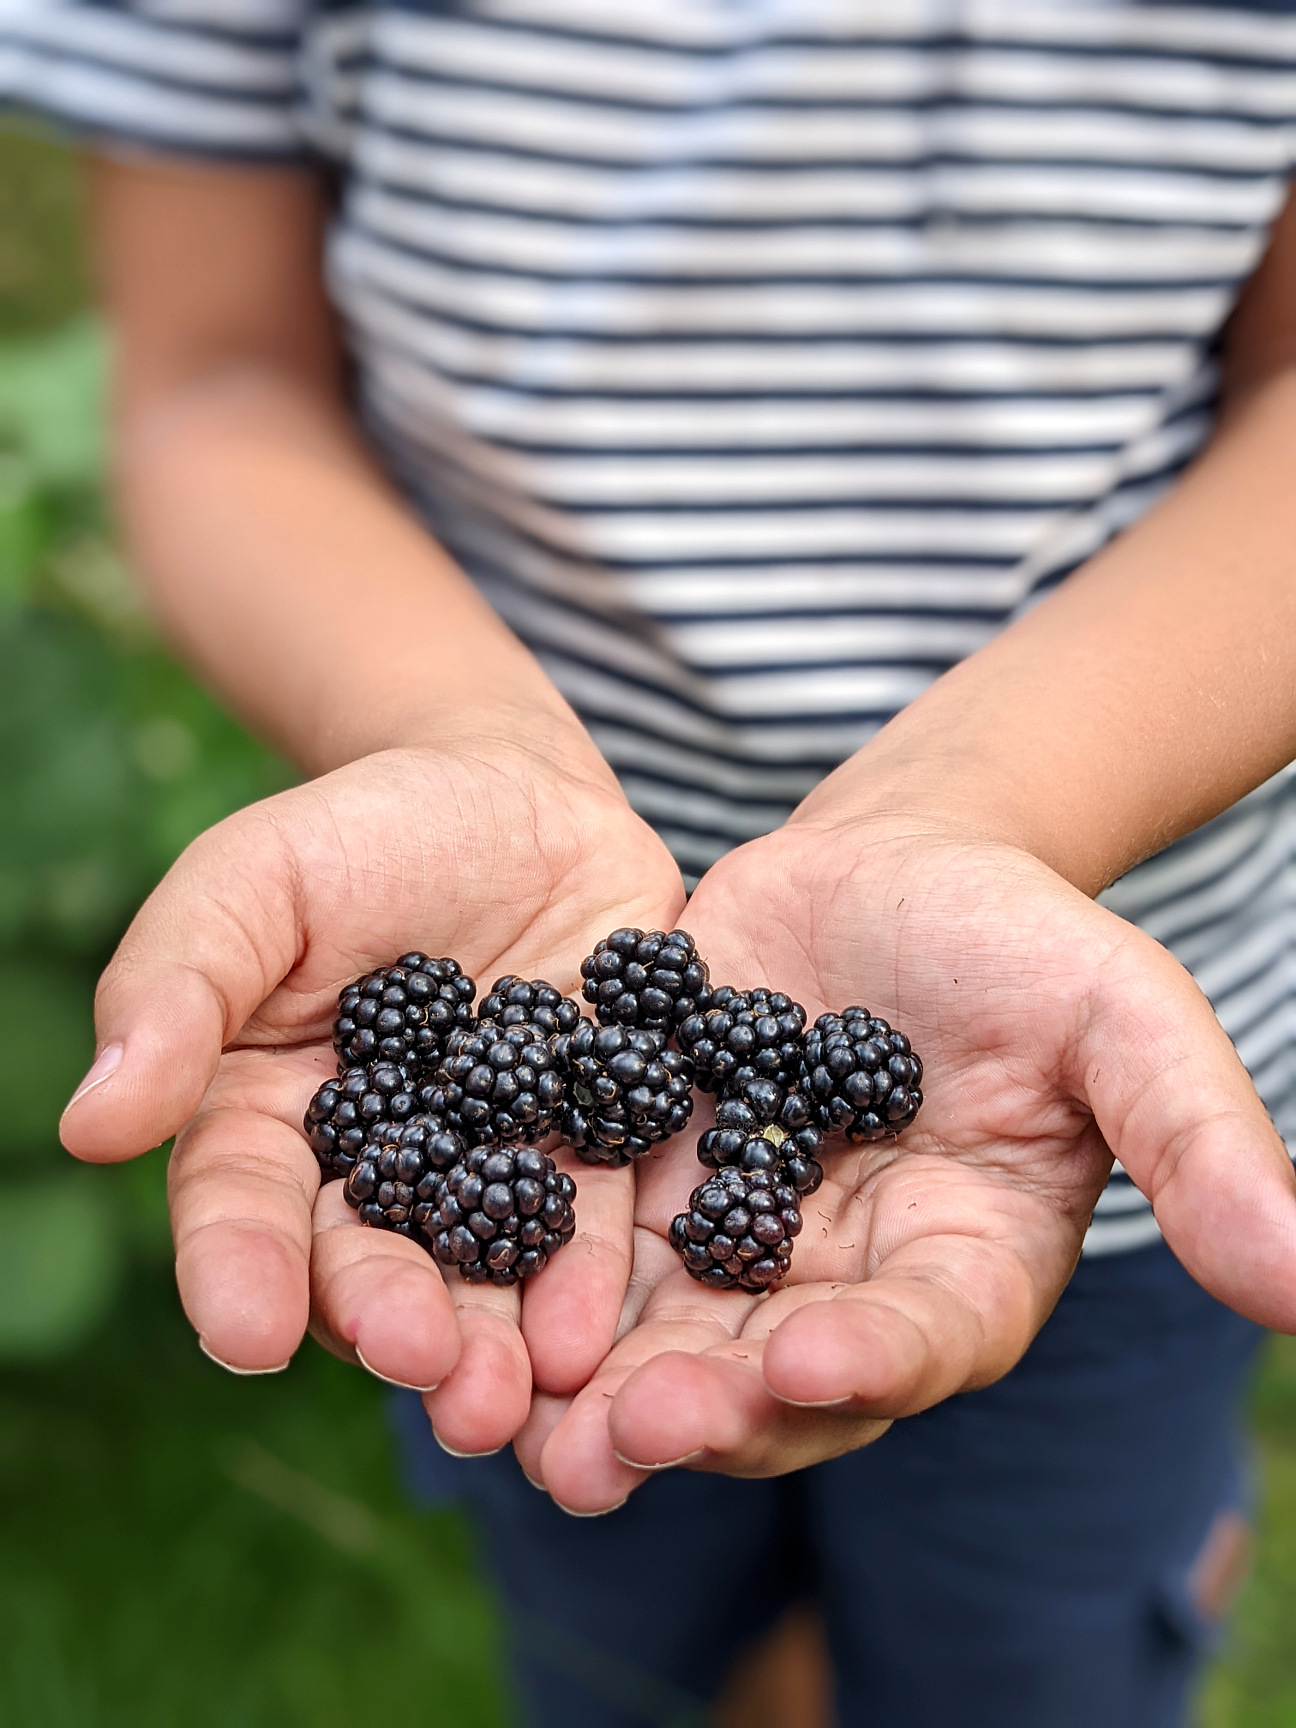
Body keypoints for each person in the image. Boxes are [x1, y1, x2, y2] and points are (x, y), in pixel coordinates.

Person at [6, 1, 1296, 1722]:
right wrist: (463, 740)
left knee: (1032, 1652)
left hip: (1072, 1081)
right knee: (621, 1629)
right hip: (518, 941)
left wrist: (979, 810)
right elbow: (215, 376)